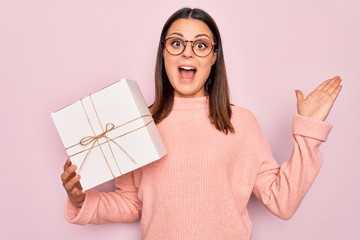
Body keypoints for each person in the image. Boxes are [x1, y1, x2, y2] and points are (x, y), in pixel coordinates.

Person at [60, 7, 342, 240]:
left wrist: (308, 130)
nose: (188, 53)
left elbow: (282, 201)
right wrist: (81, 200)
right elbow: (132, 202)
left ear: (214, 57)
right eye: (177, 43)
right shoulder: (136, 123)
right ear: (164, 52)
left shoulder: (240, 123)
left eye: (201, 45)